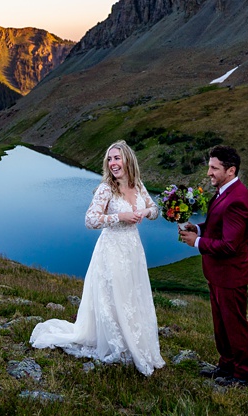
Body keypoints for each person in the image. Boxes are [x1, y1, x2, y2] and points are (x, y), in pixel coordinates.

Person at [30, 140, 165, 376]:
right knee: (115, 297)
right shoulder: (106, 189)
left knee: (132, 295)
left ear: (128, 160)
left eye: (117, 158)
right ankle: (117, 345)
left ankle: (135, 340)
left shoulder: (138, 185)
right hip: (111, 249)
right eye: (109, 159)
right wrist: (120, 216)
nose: (113, 163)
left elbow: (155, 211)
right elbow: (90, 220)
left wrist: (143, 211)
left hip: (133, 249)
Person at [179, 145, 248, 387]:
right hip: (218, 274)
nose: (209, 172)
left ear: (231, 170)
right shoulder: (224, 191)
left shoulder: (237, 200)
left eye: (214, 168)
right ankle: (226, 366)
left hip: (231, 275)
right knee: (222, 324)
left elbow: (230, 245)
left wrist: (197, 242)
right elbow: (218, 224)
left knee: (235, 325)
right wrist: (199, 229)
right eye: (209, 167)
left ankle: (243, 376)